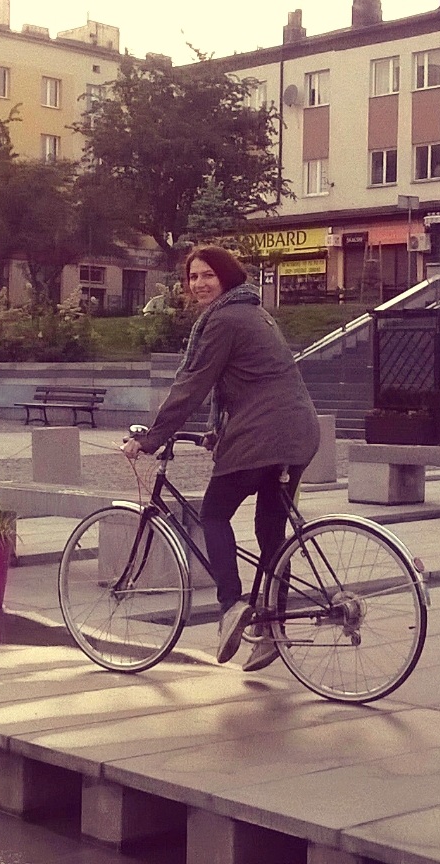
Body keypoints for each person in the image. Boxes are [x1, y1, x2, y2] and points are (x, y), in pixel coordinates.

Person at [123, 246, 320, 671]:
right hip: (298, 432)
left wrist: (155, 436)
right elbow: (250, 380)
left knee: (213, 513)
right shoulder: (255, 313)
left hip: (263, 436)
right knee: (272, 536)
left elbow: (193, 383)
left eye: (207, 275)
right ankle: (273, 630)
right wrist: (220, 430)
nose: (198, 284)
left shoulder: (224, 320)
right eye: (192, 277)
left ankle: (231, 605)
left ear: (227, 276)